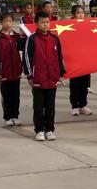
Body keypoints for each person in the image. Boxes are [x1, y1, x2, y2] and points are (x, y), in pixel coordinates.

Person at [23, 11, 65, 141]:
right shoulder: (32, 39)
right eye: (42, 22)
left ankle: (49, 130)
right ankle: (39, 130)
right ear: (36, 24)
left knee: (50, 106)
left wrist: (61, 73)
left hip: (52, 78)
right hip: (38, 79)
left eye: (47, 22)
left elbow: (59, 57)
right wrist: (30, 75)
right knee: (38, 106)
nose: (45, 25)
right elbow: (27, 58)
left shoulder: (54, 38)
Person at [0, 13, 24, 126]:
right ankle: (7, 116)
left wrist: (24, 35)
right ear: (1, 23)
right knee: (6, 96)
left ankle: (15, 115)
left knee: (16, 95)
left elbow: (22, 48)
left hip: (16, 71)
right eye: (5, 21)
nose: (8, 23)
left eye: (10, 21)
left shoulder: (17, 37)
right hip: (4, 71)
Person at [69, 5, 92, 116]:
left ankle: (83, 105)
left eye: (82, 13)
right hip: (74, 59)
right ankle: (75, 106)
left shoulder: (87, 25)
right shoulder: (68, 26)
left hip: (85, 59)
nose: (80, 15)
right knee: (75, 83)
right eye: (78, 13)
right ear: (73, 15)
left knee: (84, 84)